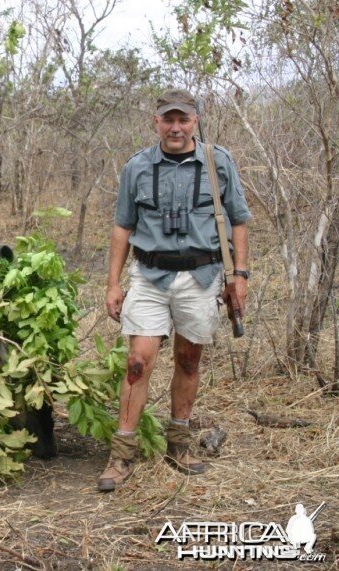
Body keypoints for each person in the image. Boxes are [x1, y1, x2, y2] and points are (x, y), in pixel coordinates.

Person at [97, 89, 251, 493]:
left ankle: (178, 444)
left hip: (201, 277)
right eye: (169, 120)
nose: (176, 128)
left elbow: (238, 220)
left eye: (184, 120)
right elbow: (122, 227)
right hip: (149, 277)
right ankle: (122, 452)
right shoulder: (137, 167)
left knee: (188, 359)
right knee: (138, 361)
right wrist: (113, 284)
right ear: (157, 122)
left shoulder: (219, 162)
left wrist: (241, 276)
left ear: (196, 121)